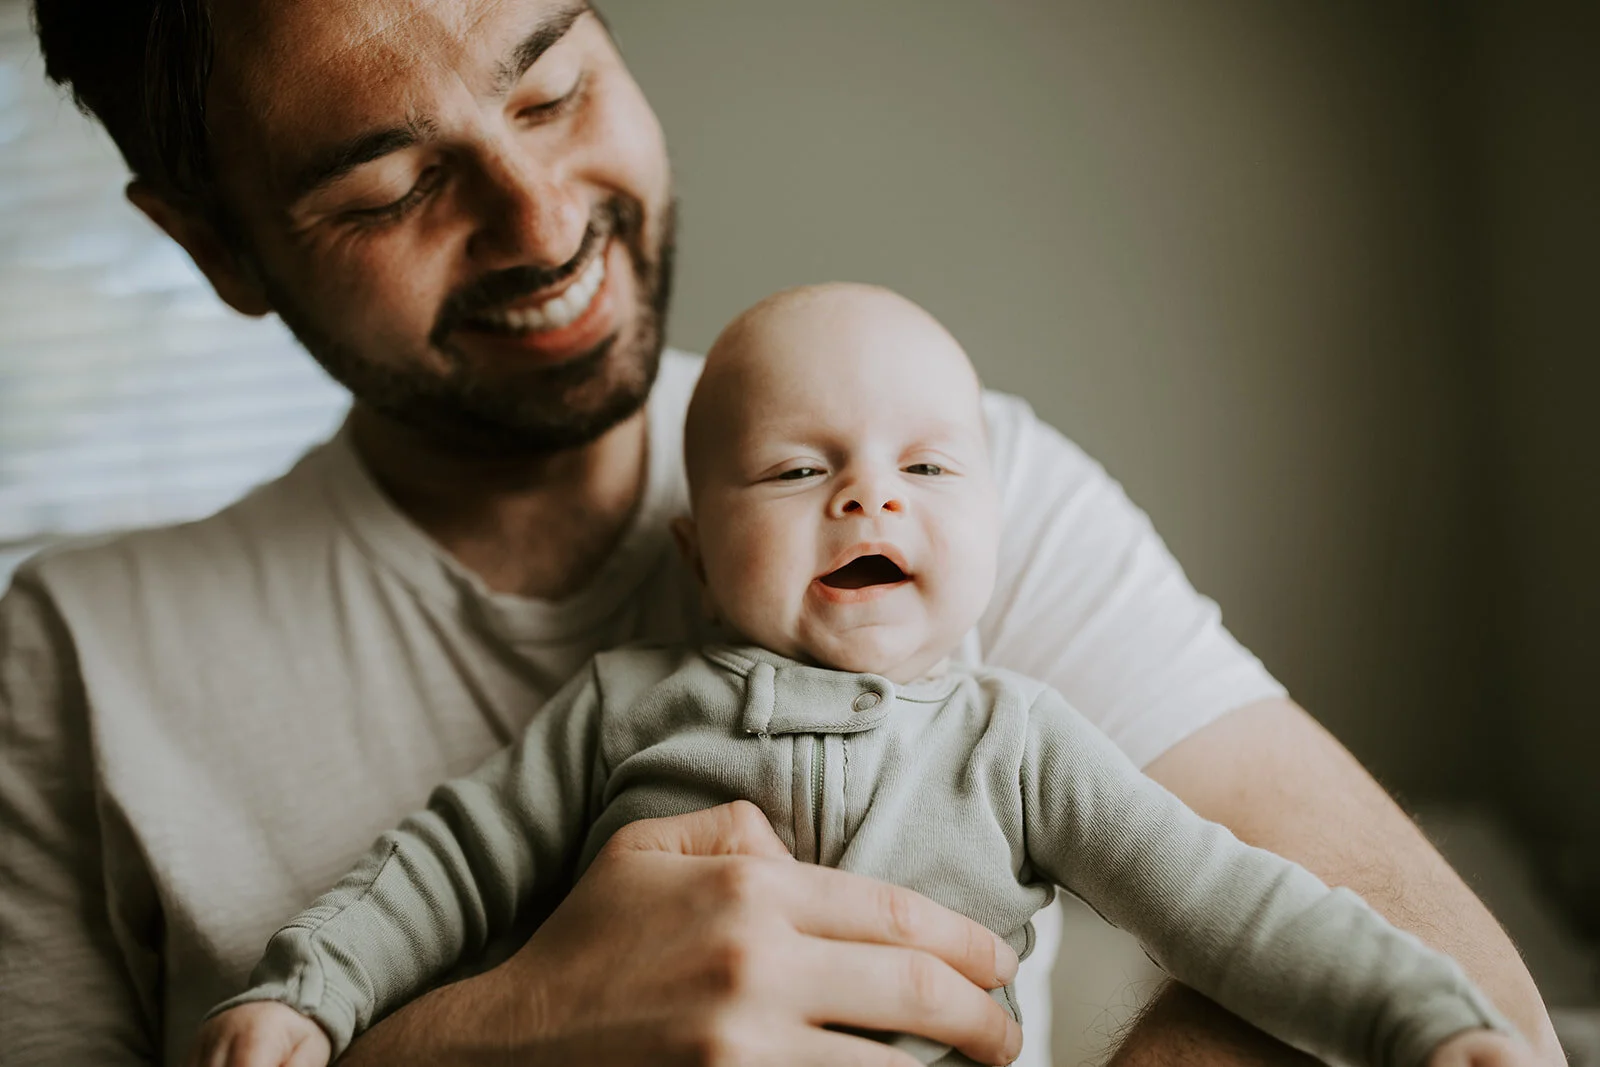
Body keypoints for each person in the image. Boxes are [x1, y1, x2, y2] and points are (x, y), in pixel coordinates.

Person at [0, 1, 1562, 1065]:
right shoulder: (74, 659)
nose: (543, 224)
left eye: (555, 89)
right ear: (216, 245)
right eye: (394, 183)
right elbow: (447, 862)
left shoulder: (979, 492)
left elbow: (1362, 943)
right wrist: (464, 1040)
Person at [185, 283, 1529, 1067]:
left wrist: (1421, 1020)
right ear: (697, 551)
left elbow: (1227, 904)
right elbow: (448, 863)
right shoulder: (624, 707)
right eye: (796, 468)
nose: (868, 498)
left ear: (998, 530)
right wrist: (307, 988)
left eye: (928, 467)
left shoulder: (1019, 741)